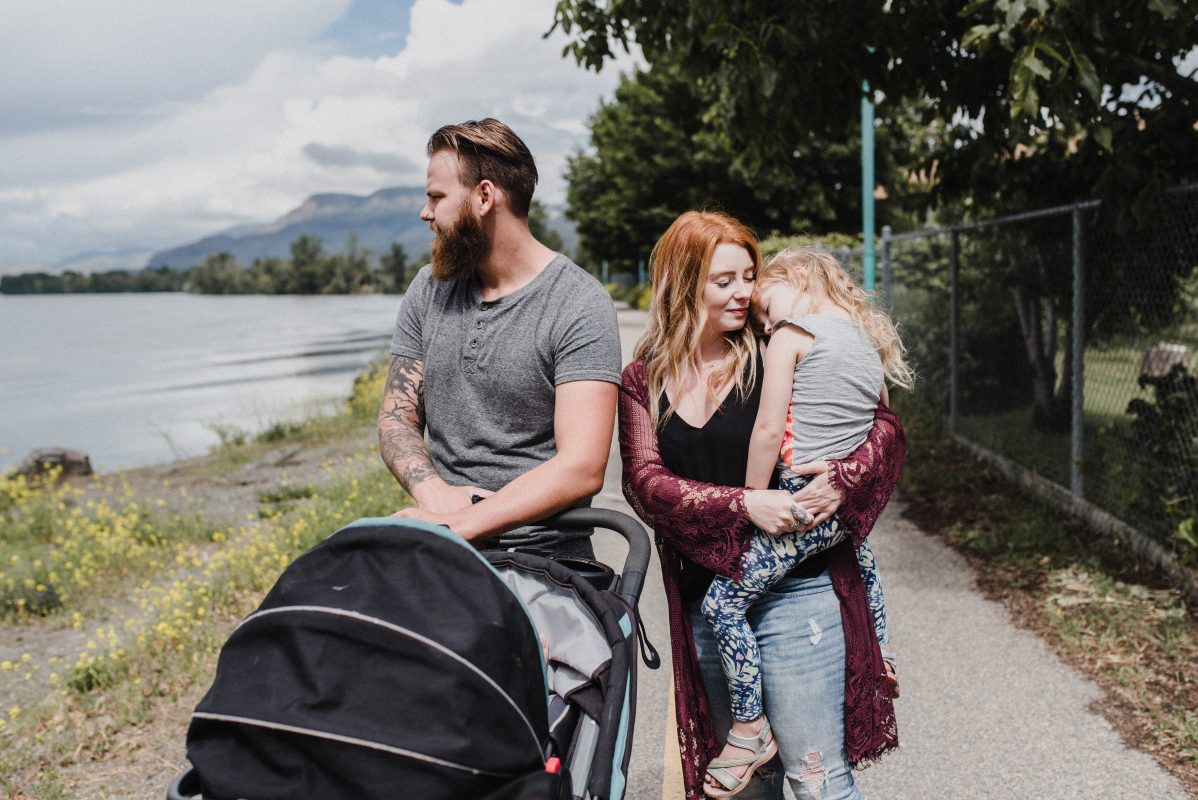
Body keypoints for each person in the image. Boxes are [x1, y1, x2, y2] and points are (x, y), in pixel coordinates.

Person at [618, 211, 903, 800]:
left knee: (816, 781)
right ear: (682, 283)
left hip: (798, 593)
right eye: (724, 280)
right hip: (708, 600)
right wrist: (745, 504)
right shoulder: (643, 379)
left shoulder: (773, 344)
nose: (745, 291)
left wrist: (845, 478)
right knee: (750, 790)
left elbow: (881, 425)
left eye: (749, 275)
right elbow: (645, 482)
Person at [699, 246, 913, 795]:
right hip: (839, 509)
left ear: (797, 281)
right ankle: (879, 652)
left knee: (722, 603)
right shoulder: (866, 343)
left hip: (798, 500)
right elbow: (880, 419)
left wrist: (750, 503)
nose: (765, 324)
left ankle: (749, 728)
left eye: (766, 307)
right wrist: (849, 473)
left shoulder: (793, 335)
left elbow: (769, 430)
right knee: (863, 564)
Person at [379, 118, 621, 557]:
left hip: (542, 555)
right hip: (444, 537)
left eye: (437, 198)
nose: (425, 213)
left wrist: (462, 524)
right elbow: (396, 417)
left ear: (485, 197)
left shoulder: (578, 303)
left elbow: (582, 468)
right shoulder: (428, 288)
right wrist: (434, 494)